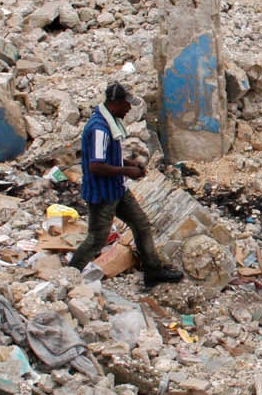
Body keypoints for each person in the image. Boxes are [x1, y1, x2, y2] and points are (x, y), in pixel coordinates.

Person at [68, 82, 185, 284]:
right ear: (116, 103)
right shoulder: (100, 130)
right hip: (102, 193)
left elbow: (107, 158)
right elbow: (96, 165)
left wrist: (130, 164)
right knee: (96, 239)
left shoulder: (109, 122)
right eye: (127, 105)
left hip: (116, 189)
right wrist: (126, 171)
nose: (129, 109)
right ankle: (69, 276)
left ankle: (153, 271)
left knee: (141, 225)